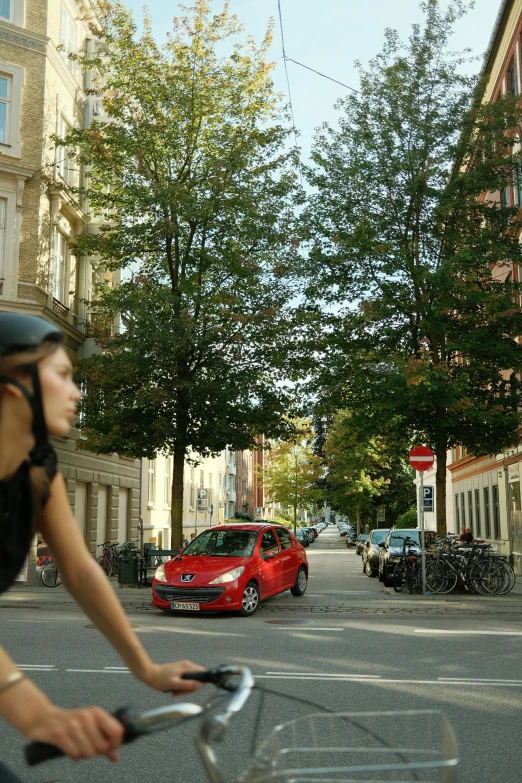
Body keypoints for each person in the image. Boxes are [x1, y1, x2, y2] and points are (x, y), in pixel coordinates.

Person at [0, 313, 204, 780]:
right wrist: (38, 715)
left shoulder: (35, 470)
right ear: (12, 387)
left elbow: (82, 572)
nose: (78, 393)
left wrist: (146, 669)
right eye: (63, 376)